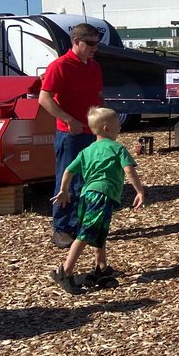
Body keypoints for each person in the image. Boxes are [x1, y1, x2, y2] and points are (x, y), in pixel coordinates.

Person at [50, 107, 146, 295]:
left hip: (87, 195)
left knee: (99, 231)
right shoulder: (117, 148)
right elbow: (128, 170)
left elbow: (68, 170)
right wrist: (139, 190)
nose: (120, 127)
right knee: (86, 233)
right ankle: (65, 271)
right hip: (102, 195)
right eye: (117, 124)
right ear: (106, 128)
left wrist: (64, 190)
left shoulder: (88, 150)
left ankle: (101, 267)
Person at [39, 23, 104, 248]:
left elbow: (97, 96)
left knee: (87, 182)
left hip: (91, 133)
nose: (95, 48)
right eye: (91, 43)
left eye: (97, 43)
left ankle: (80, 225)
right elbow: (44, 98)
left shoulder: (94, 66)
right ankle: (62, 228)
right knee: (67, 182)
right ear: (76, 42)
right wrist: (68, 120)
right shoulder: (60, 66)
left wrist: (103, 122)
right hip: (70, 135)